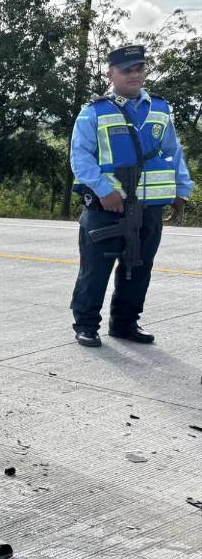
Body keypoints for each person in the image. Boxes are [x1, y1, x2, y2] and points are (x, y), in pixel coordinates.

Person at [69, 44, 194, 347]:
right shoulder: (95, 110)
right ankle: (86, 325)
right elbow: (80, 156)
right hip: (106, 207)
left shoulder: (160, 109)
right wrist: (104, 190)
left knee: (137, 269)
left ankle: (125, 324)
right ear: (111, 73)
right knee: (95, 270)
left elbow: (172, 152)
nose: (135, 75)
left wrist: (181, 190)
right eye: (127, 70)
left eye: (139, 68)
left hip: (149, 208)